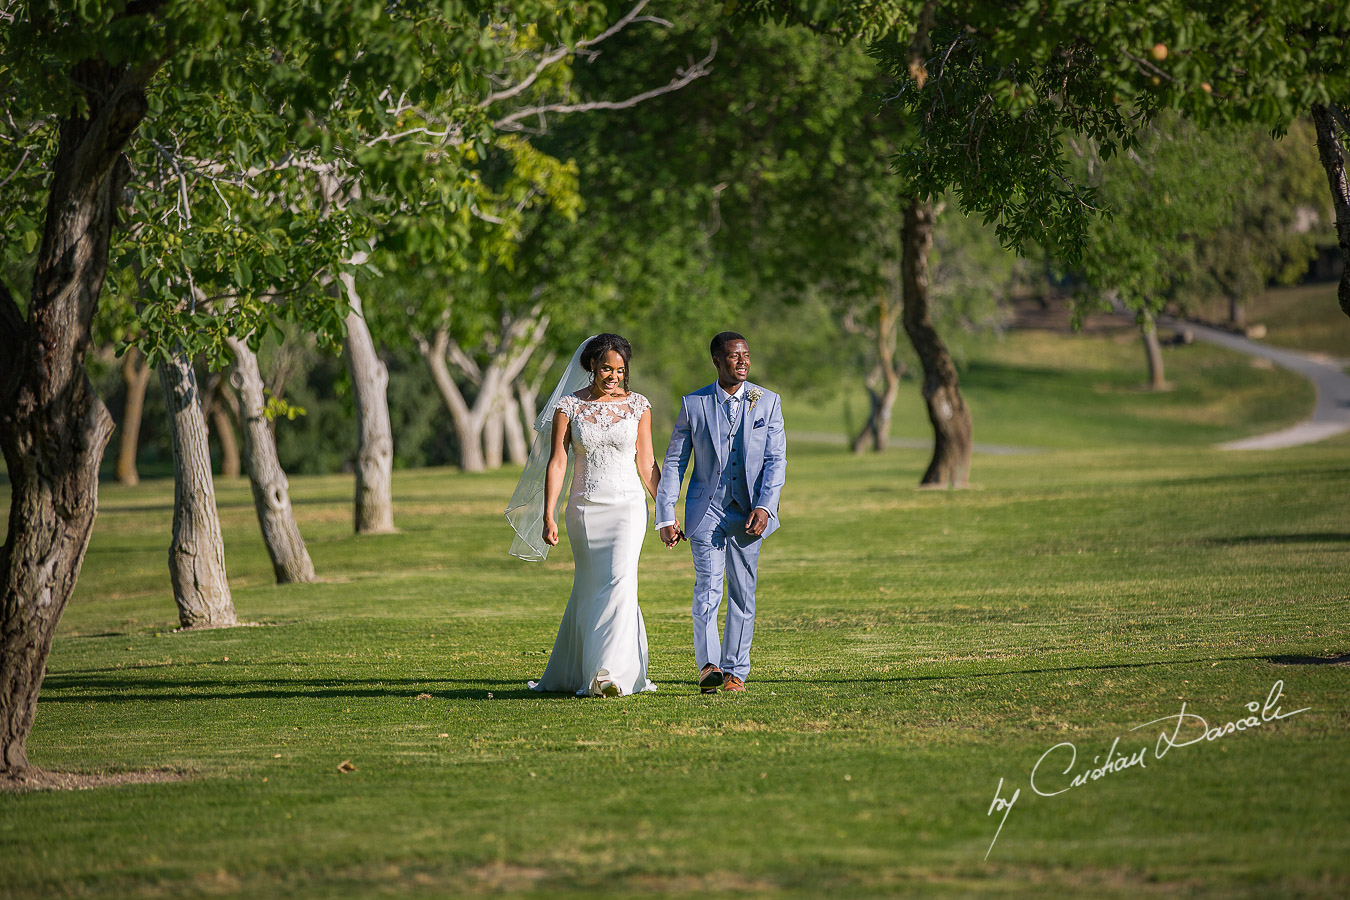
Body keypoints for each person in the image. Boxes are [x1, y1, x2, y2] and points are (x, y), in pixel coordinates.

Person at [505, 334, 665, 697]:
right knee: (591, 587)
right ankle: (581, 668)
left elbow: (646, 462)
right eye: (607, 368)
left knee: (621, 582)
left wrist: (666, 511)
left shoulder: (638, 405)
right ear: (591, 365)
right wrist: (548, 514)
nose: (614, 376)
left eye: (620, 370)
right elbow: (558, 461)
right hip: (584, 510)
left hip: (627, 507)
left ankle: (610, 674)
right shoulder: (569, 407)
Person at [655, 332, 786, 694]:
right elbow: (675, 462)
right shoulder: (693, 404)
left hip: (749, 512)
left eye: (746, 355)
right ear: (716, 361)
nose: (742, 361)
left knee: (743, 593)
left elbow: (776, 461)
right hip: (705, 509)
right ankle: (709, 666)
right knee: (708, 588)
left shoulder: (768, 402)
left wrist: (765, 506)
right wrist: (666, 514)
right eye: (733, 356)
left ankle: (735, 673)